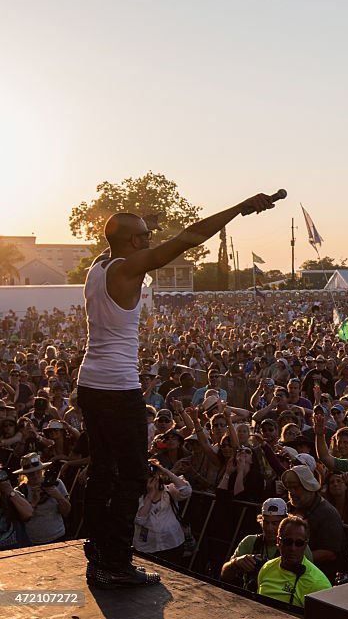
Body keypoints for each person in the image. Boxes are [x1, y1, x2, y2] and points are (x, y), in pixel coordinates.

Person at [77, 193, 277, 588]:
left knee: (102, 472)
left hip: (90, 382)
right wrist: (237, 208)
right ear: (133, 243)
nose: (151, 240)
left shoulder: (97, 269)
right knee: (133, 476)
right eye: (146, 235)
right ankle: (114, 563)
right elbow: (190, 237)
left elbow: (115, 236)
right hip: (118, 388)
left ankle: (97, 550)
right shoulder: (128, 269)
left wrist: (139, 223)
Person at [256, 515, 331, 609]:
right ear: (278, 542)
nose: (293, 548)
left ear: (305, 545)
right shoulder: (266, 568)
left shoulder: (319, 585)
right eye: (288, 542)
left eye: (299, 543)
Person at [132, 460, 192, 565]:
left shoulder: (169, 491)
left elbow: (186, 491)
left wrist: (165, 471)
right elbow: (140, 520)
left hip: (172, 543)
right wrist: (151, 494)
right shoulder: (138, 496)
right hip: (147, 547)